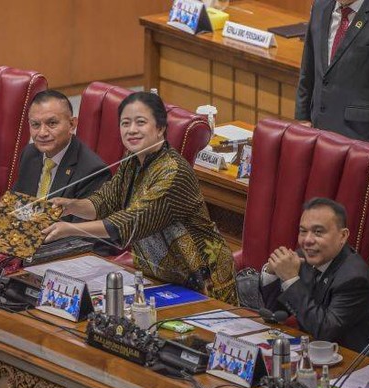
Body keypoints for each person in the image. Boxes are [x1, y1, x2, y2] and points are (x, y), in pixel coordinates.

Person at [43, 91, 237, 304]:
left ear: (160, 128)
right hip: (160, 276)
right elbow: (105, 201)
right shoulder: (132, 160)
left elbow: (130, 222)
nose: (131, 130)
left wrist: (69, 229)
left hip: (205, 281)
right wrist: (72, 206)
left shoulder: (173, 172)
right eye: (125, 123)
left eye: (140, 122)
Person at [260, 198, 369, 364]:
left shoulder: (354, 277)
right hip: (321, 362)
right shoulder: (305, 258)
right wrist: (271, 273)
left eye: (318, 232)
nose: (307, 240)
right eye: (303, 231)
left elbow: (325, 331)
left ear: (343, 236)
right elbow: (276, 313)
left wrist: (290, 279)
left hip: (362, 367)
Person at [295, 0, 369, 161]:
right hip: (317, 131)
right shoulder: (320, 7)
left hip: (361, 139)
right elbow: (308, 67)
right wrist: (302, 118)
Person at [12, 90, 110, 204]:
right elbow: (17, 203)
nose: (42, 133)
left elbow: (81, 221)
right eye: (35, 124)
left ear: (72, 124)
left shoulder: (93, 172)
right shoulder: (29, 153)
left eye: (52, 123)